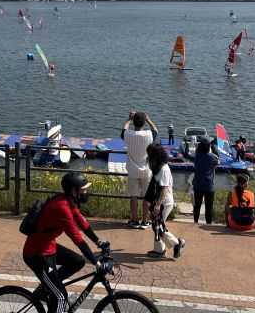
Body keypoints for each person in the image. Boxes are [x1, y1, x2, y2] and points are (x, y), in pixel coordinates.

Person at [22, 172, 108, 312]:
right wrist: (97, 263)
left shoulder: (68, 202)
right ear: (73, 191)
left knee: (78, 262)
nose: (86, 193)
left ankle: (47, 289)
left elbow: (83, 224)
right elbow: (78, 239)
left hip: (48, 246)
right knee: (61, 297)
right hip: (37, 254)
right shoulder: (62, 208)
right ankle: (51, 288)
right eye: (83, 190)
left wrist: (99, 242)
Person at [145, 143, 185, 259]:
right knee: (157, 226)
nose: (148, 158)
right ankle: (159, 250)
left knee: (159, 227)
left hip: (164, 203)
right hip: (159, 202)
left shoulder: (163, 169)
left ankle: (178, 243)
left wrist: (158, 205)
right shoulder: (158, 167)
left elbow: (164, 189)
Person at [121, 111, 157, 229]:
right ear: (143, 123)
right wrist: (148, 120)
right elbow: (155, 131)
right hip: (146, 170)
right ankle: (145, 221)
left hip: (132, 170)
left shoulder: (128, 135)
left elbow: (123, 130)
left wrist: (129, 119)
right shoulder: (148, 135)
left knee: (134, 196)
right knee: (147, 197)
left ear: (134, 122)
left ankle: (134, 220)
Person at [192, 136, 219, 224]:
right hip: (208, 185)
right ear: (208, 146)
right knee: (209, 207)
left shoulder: (197, 155)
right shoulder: (211, 156)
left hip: (197, 184)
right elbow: (218, 163)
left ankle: (195, 221)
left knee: (197, 205)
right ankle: (208, 224)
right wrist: (215, 156)